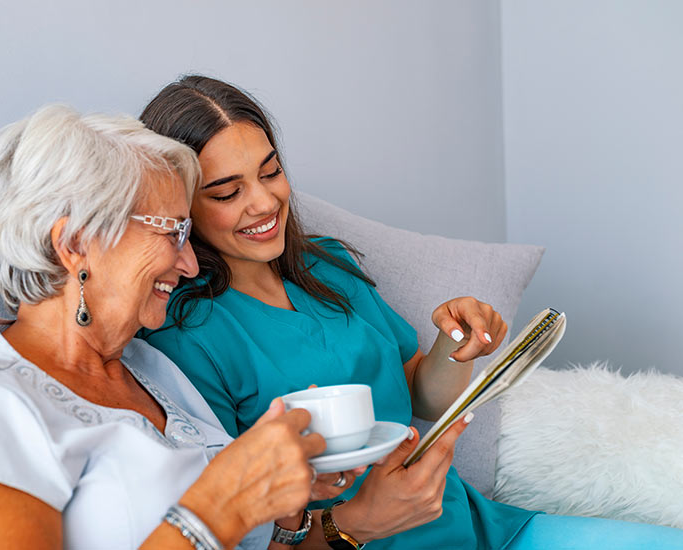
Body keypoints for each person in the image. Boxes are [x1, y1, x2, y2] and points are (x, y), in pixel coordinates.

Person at [139, 75, 683, 549]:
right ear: (180, 205)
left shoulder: (326, 266)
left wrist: (455, 342)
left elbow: (421, 395)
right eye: (227, 192)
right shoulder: (185, 333)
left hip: (474, 524)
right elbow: (236, 520)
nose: (263, 203)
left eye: (270, 171)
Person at [0, 104, 334, 550]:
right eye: (172, 232)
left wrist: (292, 510)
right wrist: (216, 512)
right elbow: (216, 520)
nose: (191, 264)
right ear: (76, 243)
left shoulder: (149, 367)